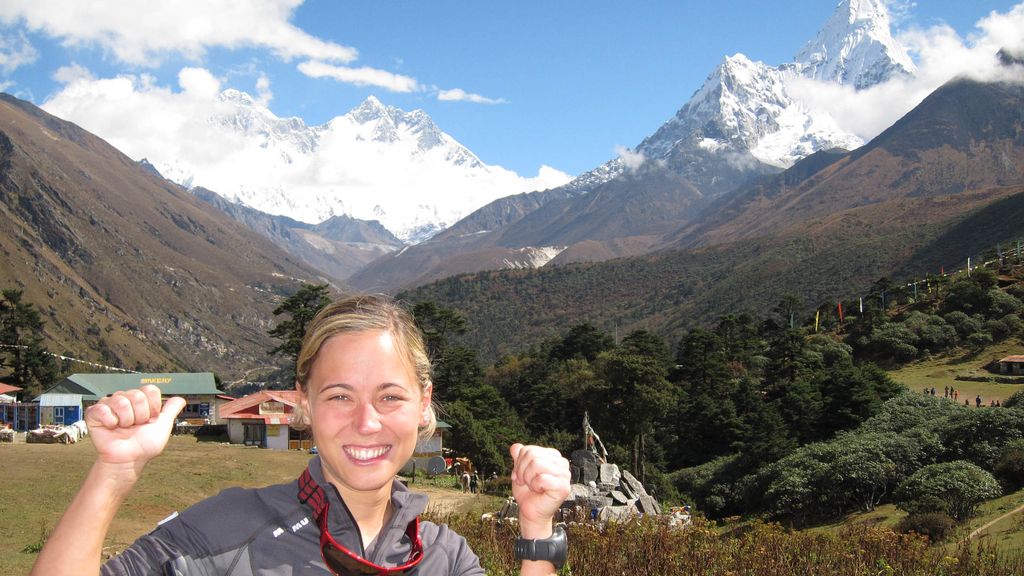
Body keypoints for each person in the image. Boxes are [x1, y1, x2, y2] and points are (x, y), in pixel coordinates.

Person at [31, 294, 571, 575]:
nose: (367, 422)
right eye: (339, 396)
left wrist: (537, 532)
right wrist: (114, 473)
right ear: (304, 404)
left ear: (423, 404)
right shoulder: (226, 529)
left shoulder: (445, 559)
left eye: (390, 396)